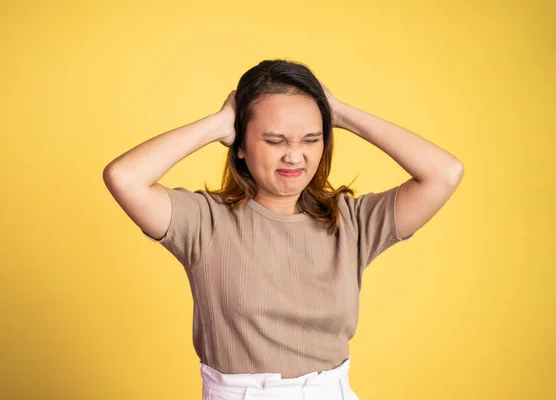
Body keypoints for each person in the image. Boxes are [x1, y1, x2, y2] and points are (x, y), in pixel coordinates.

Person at [103, 59, 464, 400]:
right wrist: (218, 123)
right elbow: (125, 178)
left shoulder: (351, 222)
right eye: (276, 141)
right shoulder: (203, 221)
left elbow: (444, 173)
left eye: (311, 139)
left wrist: (338, 113)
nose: (295, 156)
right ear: (240, 145)